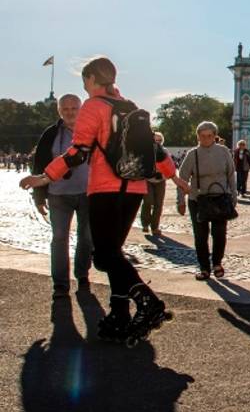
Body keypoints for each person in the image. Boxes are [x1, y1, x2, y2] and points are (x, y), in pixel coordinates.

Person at [19, 57, 190, 342]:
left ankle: (149, 302)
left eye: (85, 81)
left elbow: (78, 152)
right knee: (113, 252)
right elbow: (155, 150)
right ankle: (119, 313)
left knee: (105, 255)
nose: (84, 87)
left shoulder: (93, 107)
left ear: (92, 80)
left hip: (105, 189)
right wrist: (175, 178)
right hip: (134, 190)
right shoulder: (131, 107)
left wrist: (45, 177)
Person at [30, 94, 93, 299]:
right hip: (58, 194)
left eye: (74, 108)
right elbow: (39, 165)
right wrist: (39, 198)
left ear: (81, 109)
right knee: (59, 238)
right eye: (65, 109)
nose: (70, 112)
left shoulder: (92, 131)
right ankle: (60, 284)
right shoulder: (51, 134)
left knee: (86, 238)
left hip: (88, 194)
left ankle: (82, 274)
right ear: (59, 111)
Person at [177, 121, 237, 281]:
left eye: (209, 136)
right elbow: (182, 178)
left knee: (219, 233)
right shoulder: (193, 154)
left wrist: (234, 196)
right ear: (198, 136)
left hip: (220, 198)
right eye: (202, 136)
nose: (206, 139)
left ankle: (217, 263)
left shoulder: (224, 152)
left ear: (214, 136)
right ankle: (204, 267)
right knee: (200, 235)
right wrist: (180, 200)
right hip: (198, 199)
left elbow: (231, 174)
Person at [139, 131, 167, 236]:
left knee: (158, 204)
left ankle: (155, 227)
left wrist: (164, 174)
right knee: (148, 201)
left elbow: (170, 166)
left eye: (160, 140)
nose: (158, 142)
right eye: (156, 140)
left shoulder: (165, 152)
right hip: (148, 180)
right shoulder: (146, 151)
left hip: (161, 181)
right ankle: (145, 223)